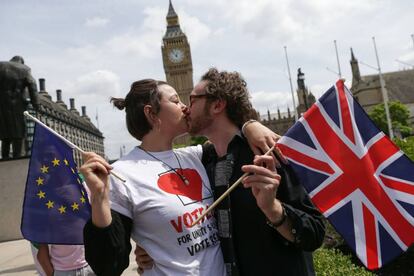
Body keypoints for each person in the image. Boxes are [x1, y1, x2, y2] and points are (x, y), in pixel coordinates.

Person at [136, 68, 326, 275]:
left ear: (217, 105)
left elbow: (315, 233)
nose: (185, 109)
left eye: (192, 100)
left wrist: (273, 209)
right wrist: (155, 244)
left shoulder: (267, 154)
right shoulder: (204, 163)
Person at [80, 79, 276, 275]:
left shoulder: (198, 156)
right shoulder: (122, 174)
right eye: (175, 101)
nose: (185, 107)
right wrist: (99, 197)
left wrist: (250, 125)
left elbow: (228, 133)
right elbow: (108, 266)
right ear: (151, 113)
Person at [0, 55, 38, 159]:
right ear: (21, 61)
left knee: (5, 135)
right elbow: (32, 86)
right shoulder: (24, 69)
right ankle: (17, 158)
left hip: (1, 107)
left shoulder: (1, 66)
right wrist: (36, 104)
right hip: (17, 106)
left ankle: (4, 158)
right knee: (18, 133)